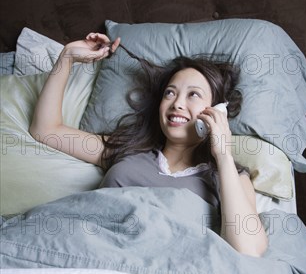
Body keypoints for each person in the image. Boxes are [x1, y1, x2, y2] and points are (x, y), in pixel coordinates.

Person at [29, 32, 268, 257]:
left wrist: (223, 154)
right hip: (89, 250)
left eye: (193, 95)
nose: (177, 104)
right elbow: (46, 130)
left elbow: (247, 251)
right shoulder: (128, 148)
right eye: (170, 93)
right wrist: (67, 57)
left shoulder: (231, 178)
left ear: (217, 111)